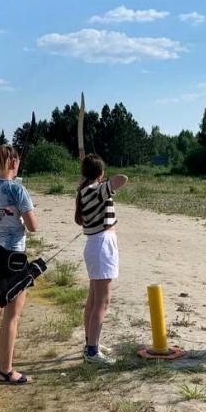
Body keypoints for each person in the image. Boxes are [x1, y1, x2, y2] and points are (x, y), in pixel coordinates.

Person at [0, 145, 38, 384]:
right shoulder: (18, 190)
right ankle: (5, 369)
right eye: (17, 161)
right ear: (13, 162)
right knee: (12, 315)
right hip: (12, 257)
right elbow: (33, 226)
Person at [75, 154, 128, 365]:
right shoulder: (95, 190)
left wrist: (97, 179)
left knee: (93, 300)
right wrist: (102, 182)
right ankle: (92, 352)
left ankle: (90, 343)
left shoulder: (85, 190)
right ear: (100, 173)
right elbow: (123, 178)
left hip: (97, 244)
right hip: (102, 245)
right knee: (102, 301)